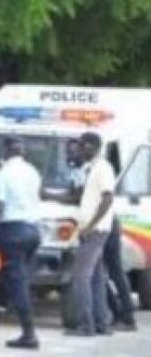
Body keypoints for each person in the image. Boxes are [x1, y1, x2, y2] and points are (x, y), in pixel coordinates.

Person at [0, 137, 43, 349]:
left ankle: (29, 334)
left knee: (17, 281)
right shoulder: (32, 171)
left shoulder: (2, 174)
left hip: (11, 230)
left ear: (5, 151)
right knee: (8, 278)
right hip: (32, 230)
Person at [65, 132, 117, 337]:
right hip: (91, 229)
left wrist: (90, 225)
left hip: (95, 231)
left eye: (81, 146)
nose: (78, 150)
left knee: (81, 277)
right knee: (96, 279)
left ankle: (87, 326)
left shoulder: (103, 168)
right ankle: (101, 323)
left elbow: (107, 199)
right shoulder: (93, 168)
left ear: (91, 146)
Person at [103, 213, 138, 331]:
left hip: (104, 225)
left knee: (115, 273)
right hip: (103, 225)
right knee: (99, 275)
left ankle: (127, 318)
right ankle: (119, 315)